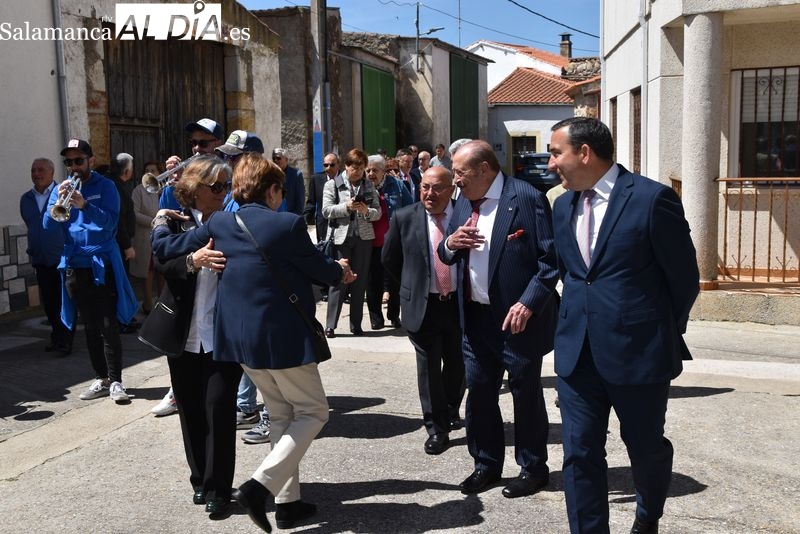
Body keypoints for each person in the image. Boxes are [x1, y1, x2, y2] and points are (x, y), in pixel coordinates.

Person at [152, 153, 355, 533]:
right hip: (282, 342)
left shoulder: (221, 222)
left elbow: (170, 248)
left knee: (281, 415)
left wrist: (161, 223)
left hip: (239, 345)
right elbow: (320, 269)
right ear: (273, 190)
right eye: (281, 190)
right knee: (313, 412)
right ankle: (259, 487)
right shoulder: (288, 224)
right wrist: (340, 271)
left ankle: (288, 503)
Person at [548, 117, 699, 534]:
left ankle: (648, 517)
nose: (550, 163)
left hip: (638, 353)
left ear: (584, 153)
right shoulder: (561, 205)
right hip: (576, 353)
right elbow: (572, 274)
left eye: (556, 152)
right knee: (579, 452)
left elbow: (683, 279)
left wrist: (655, 332)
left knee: (645, 448)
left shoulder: (651, 199)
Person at [438, 140, 559, 498]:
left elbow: (550, 260)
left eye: (460, 172)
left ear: (484, 169)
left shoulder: (526, 198)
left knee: (525, 394)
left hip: (517, 320)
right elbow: (447, 250)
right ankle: (486, 465)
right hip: (475, 318)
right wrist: (451, 244)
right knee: (479, 393)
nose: (455, 180)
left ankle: (533, 468)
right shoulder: (463, 200)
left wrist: (528, 303)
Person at [148, 155, 243, 518]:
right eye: (215, 186)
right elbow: (163, 259)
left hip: (223, 336)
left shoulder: (232, 222)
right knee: (190, 410)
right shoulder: (174, 221)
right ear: (194, 188)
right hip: (183, 335)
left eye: (225, 185)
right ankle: (200, 480)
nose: (222, 192)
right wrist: (193, 260)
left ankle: (220, 489)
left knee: (219, 410)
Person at [44, 139, 138, 403]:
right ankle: (101, 378)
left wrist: (85, 205)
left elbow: (111, 223)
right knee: (90, 326)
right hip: (75, 264)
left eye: (79, 160)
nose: (74, 166)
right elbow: (48, 226)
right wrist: (59, 199)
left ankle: (116, 381)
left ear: (91, 161)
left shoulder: (105, 186)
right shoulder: (61, 189)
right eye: (69, 162)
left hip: (101, 264)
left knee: (108, 324)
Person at [382, 165, 465, 455]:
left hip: (458, 305)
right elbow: (390, 259)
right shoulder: (404, 217)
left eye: (437, 188)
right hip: (423, 305)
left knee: (457, 365)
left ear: (451, 189)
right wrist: (411, 287)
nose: (429, 193)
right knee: (428, 369)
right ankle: (436, 428)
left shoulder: (465, 214)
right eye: (425, 187)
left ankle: (450, 409)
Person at [321, 148, 382, 337]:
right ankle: (330, 325)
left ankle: (356, 324)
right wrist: (346, 207)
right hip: (341, 239)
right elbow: (326, 211)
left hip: (363, 239)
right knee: (339, 280)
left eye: (361, 168)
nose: (358, 172)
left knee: (359, 281)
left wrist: (366, 211)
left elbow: (378, 212)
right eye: (354, 167)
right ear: (346, 166)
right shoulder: (333, 184)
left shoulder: (369, 185)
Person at [20, 158, 73, 354]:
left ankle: (66, 340)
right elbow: (31, 225)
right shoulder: (26, 199)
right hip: (40, 259)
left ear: (52, 172)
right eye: (33, 170)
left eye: (41, 170)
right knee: (49, 304)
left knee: (63, 303)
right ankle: (57, 337)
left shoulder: (62, 194)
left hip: (61, 259)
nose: (36, 174)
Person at [364, 154, 412, 330]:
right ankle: (376, 318)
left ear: (383, 171)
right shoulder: (362, 188)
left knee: (394, 281)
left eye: (374, 170)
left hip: (393, 242)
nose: (371, 174)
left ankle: (393, 315)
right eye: (368, 170)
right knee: (373, 282)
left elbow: (410, 208)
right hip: (370, 242)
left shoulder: (397, 185)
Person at [160, 118, 225, 210]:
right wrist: (173, 184)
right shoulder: (188, 170)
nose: (197, 148)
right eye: (194, 143)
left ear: (218, 143)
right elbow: (166, 209)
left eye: (203, 143)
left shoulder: (227, 171)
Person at [131, 160, 163, 315]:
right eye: (147, 170)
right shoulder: (138, 190)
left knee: (162, 271)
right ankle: (148, 304)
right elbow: (134, 214)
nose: (150, 173)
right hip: (146, 236)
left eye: (153, 170)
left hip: (164, 235)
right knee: (148, 271)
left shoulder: (164, 188)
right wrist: (154, 222)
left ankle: (163, 303)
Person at [303, 152, 340, 243]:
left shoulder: (343, 178)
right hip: (323, 225)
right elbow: (311, 203)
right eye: (326, 165)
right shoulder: (316, 179)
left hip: (341, 225)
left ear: (338, 165)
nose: (328, 168)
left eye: (332, 165)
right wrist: (304, 220)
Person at [271, 148, 305, 215]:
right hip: (273, 215)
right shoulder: (270, 174)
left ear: (286, 160)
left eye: (278, 158)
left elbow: (300, 201)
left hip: (289, 215)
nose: (275, 160)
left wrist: (295, 217)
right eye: (274, 158)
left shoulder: (296, 175)